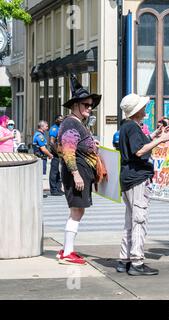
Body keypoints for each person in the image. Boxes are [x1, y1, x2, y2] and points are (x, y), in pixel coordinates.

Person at [116, 93, 169, 276]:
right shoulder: (133, 127)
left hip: (128, 177)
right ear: (136, 111)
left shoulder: (128, 126)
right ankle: (137, 262)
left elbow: (139, 145)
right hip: (137, 177)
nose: (145, 109)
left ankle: (124, 259)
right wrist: (161, 139)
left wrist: (155, 135)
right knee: (139, 220)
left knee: (130, 219)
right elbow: (139, 151)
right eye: (143, 107)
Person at [56, 74, 102, 265]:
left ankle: (66, 250)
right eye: (85, 105)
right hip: (77, 173)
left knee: (76, 211)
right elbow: (68, 151)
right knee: (77, 211)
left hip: (80, 172)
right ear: (75, 105)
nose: (89, 108)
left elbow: (76, 146)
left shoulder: (75, 123)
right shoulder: (71, 123)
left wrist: (92, 144)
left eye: (91, 105)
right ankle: (67, 253)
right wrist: (76, 175)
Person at [48, 115, 64, 196]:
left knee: (58, 172)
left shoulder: (60, 128)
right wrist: (57, 153)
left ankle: (58, 188)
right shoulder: (54, 128)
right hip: (55, 154)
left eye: (62, 119)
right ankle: (53, 189)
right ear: (56, 120)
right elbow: (51, 142)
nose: (61, 120)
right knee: (54, 172)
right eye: (59, 119)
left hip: (60, 154)